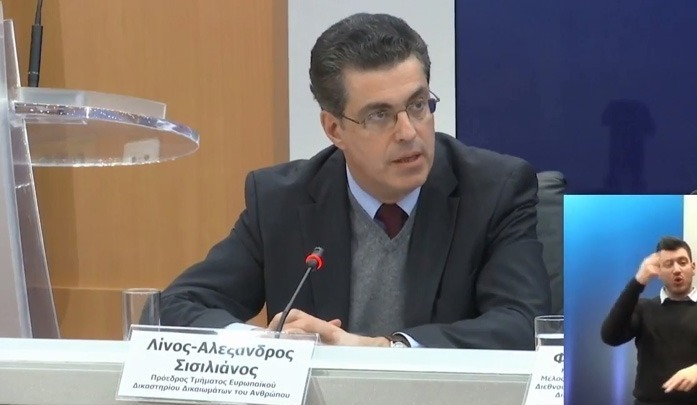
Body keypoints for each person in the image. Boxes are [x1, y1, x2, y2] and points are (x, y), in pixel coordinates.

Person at [159, 12, 551, 350]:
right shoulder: (280, 201)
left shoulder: (495, 190)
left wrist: (383, 349)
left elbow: (524, 325)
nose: (408, 132)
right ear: (334, 129)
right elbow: (174, 308)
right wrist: (268, 345)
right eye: (379, 115)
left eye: (417, 105)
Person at [601, 236, 697, 405]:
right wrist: (638, 281)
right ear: (659, 272)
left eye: (682, 262)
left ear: (693, 267)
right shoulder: (644, 309)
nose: (676, 269)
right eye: (668, 264)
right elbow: (610, 336)